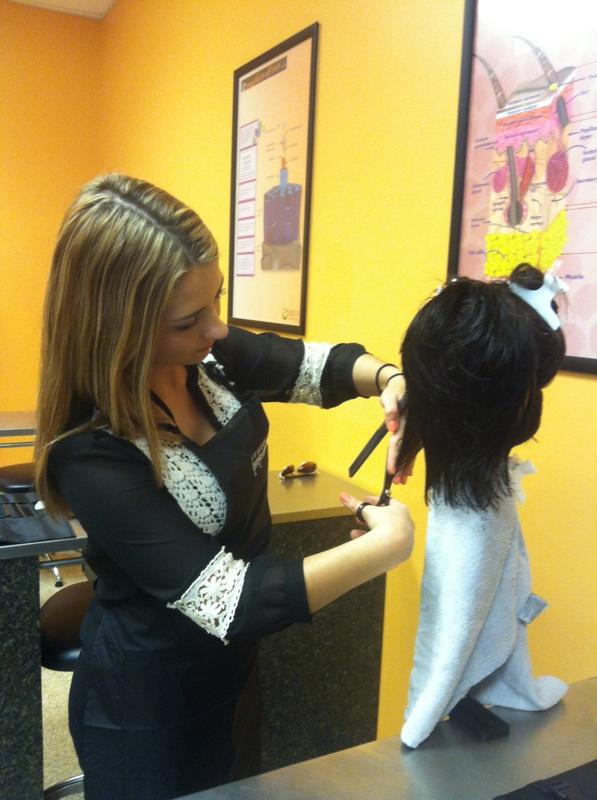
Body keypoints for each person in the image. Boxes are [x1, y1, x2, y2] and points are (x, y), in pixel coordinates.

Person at [34, 173, 414, 799]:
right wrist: (385, 549)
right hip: (147, 703)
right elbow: (227, 601)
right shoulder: (91, 450)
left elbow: (313, 368)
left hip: (231, 672)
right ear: (116, 328)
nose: (217, 327)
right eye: (191, 318)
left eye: (217, 301)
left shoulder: (205, 355)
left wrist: (391, 380)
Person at [391, 264, 569, 748]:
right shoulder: (474, 524)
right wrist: (420, 721)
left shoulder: (479, 487)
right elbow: (452, 633)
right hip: (438, 725)